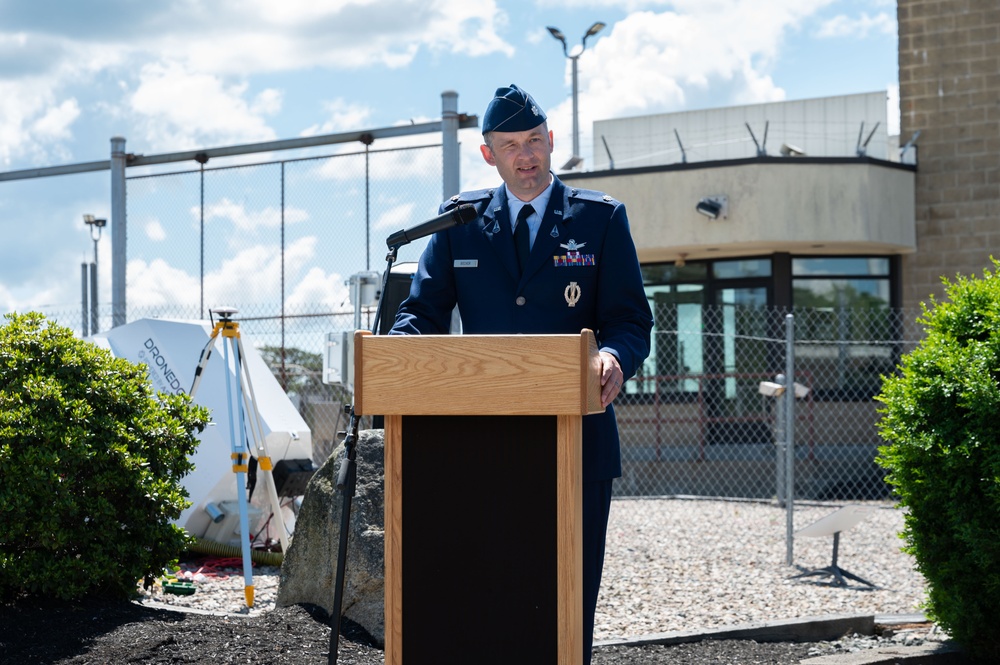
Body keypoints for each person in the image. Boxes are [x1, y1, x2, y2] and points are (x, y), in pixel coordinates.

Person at [390, 83, 652, 663]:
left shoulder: (600, 219)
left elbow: (631, 320)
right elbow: (420, 315)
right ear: (489, 155)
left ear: (552, 141)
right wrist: (397, 357)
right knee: (489, 596)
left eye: (534, 140)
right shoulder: (459, 222)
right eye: (510, 145)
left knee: (566, 604)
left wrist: (614, 357)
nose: (525, 155)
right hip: (481, 443)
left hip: (577, 443)